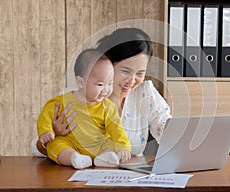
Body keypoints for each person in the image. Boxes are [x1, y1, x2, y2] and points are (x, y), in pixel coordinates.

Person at [32, 27, 172, 157]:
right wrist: (54, 135)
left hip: (131, 179)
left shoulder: (145, 94)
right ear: (108, 64)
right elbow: (36, 150)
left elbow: (166, 128)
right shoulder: (77, 97)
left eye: (140, 73)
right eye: (125, 71)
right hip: (81, 177)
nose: (132, 80)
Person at [36, 48, 131, 169]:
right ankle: (74, 158)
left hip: (99, 145)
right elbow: (45, 115)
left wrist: (123, 146)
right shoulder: (62, 101)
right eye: (100, 84)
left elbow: (116, 129)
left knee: (111, 142)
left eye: (109, 84)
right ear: (81, 82)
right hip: (71, 145)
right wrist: (46, 131)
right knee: (55, 145)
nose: (106, 90)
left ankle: (105, 157)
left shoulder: (107, 106)